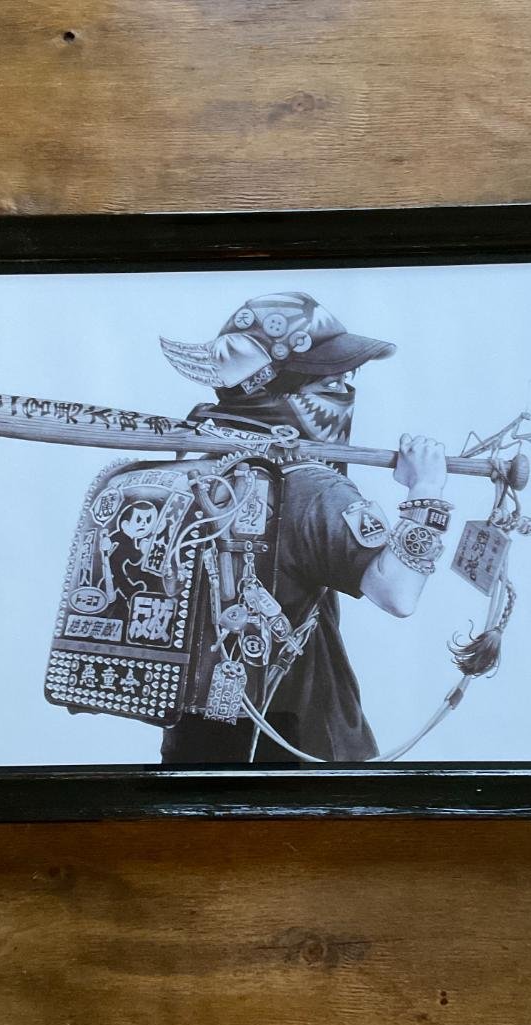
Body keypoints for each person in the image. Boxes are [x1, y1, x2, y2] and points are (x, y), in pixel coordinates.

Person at [157, 292, 449, 763]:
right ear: (271, 387)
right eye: (332, 384)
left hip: (194, 744)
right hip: (304, 746)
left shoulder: (193, 467)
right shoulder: (311, 486)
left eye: (348, 381)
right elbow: (397, 594)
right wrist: (426, 493)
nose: (345, 395)